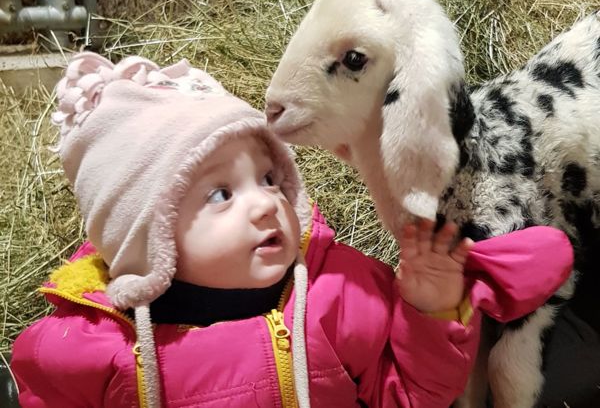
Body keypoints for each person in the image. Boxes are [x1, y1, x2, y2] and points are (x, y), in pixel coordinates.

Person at [10, 52, 573, 408]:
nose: (264, 204)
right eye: (221, 194)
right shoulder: (90, 348)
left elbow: (412, 397)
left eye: (268, 177)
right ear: (144, 233)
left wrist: (430, 311)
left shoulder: (338, 297)